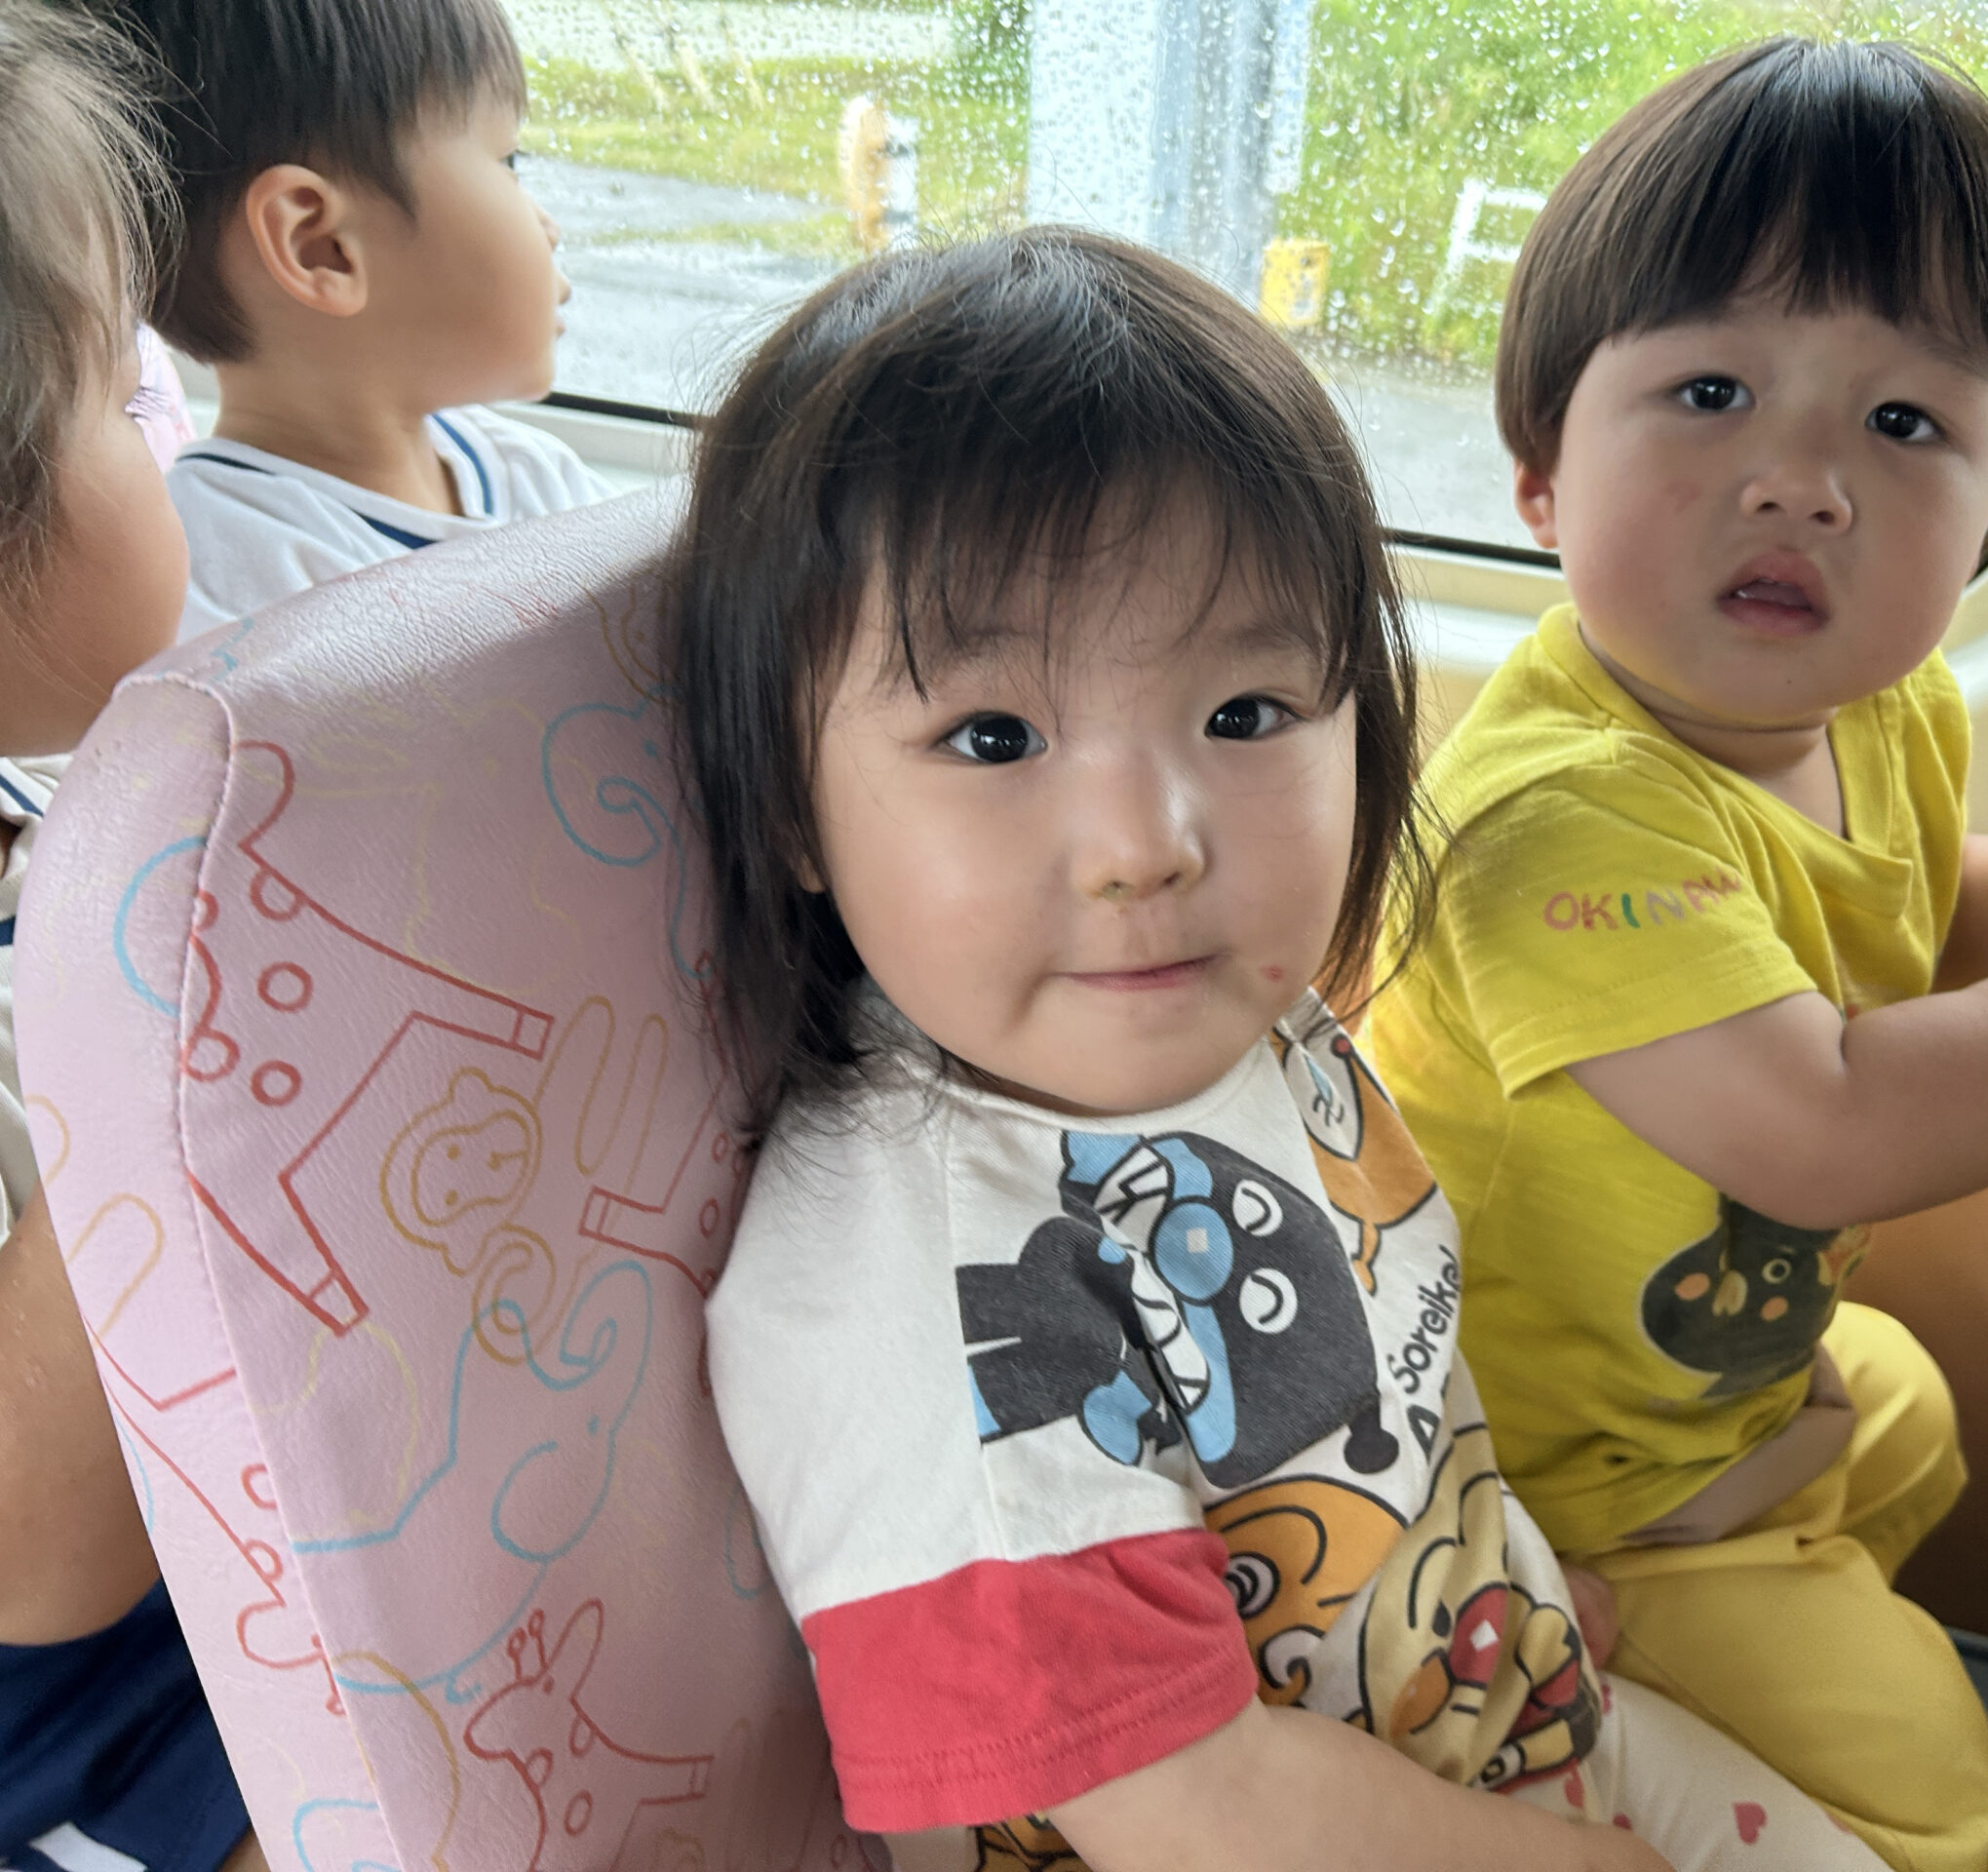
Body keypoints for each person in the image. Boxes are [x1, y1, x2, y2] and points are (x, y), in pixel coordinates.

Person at [677, 227, 1888, 1872]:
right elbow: (1197, 1809)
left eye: (1243, 716)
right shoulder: (922, 1306)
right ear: (787, 806)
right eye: (994, 736)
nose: (1147, 845)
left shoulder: (1233, 1017)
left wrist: (1505, 1580)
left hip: (1486, 1705)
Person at [1361, 38, 1988, 1872]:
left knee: (1907, 1414)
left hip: (1681, 1383)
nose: (1804, 482)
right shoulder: (1561, 823)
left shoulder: (1879, 710)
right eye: (1713, 391)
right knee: (1931, 1800)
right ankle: (1573, 1678)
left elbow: (1892, 916)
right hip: (1528, 1463)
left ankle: (1721, 1650)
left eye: (1905, 426)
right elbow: (1826, 1123)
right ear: (1540, 475)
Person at [0, 8, 265, 1868]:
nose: (166, 440)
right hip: (71, 1718)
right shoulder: (100, 894)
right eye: (121, 391)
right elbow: (29, 1566)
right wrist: (139, 1017)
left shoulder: (48, 822)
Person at [97, 0, 605, 639]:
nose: (548, 226)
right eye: (508, 162)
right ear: (323, 248)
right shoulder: (223, 590)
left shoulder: (536, 474)